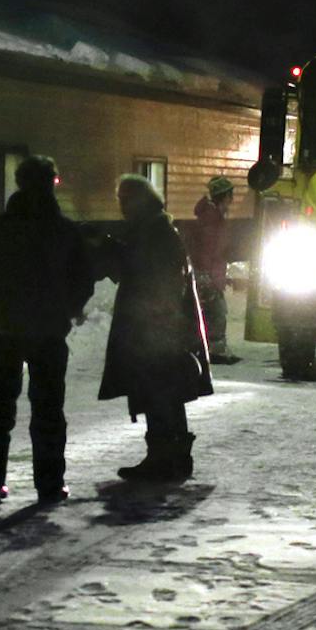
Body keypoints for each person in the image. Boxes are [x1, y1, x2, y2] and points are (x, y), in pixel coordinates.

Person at [0, 155, 95, 506]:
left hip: (7, 332)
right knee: (48, 411)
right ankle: (49, 484)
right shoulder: (64, 231)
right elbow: (84, 279)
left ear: (19, 183)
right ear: (52, 184)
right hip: (49, 333)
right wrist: (69, 308)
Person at [96, 173, 215, 482]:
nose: (121, 206)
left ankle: (162, 459)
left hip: (156, 332)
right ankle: (174, 457)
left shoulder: (154, 234)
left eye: (126, 199)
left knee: (157, 394)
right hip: (164, 330)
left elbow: (149, 276)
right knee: (167, 395)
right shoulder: (158, 230)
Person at [189, 175, 242, 364]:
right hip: (209, 274)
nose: (232, 200)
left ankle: (210, 348)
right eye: (230, 195)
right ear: (223, 196)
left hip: (211, 273)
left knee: (211, 311)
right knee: (216, 312)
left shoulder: (212, 217)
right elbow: (207, 249)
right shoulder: (211, 219)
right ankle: (213, 351)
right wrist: (206, 275)